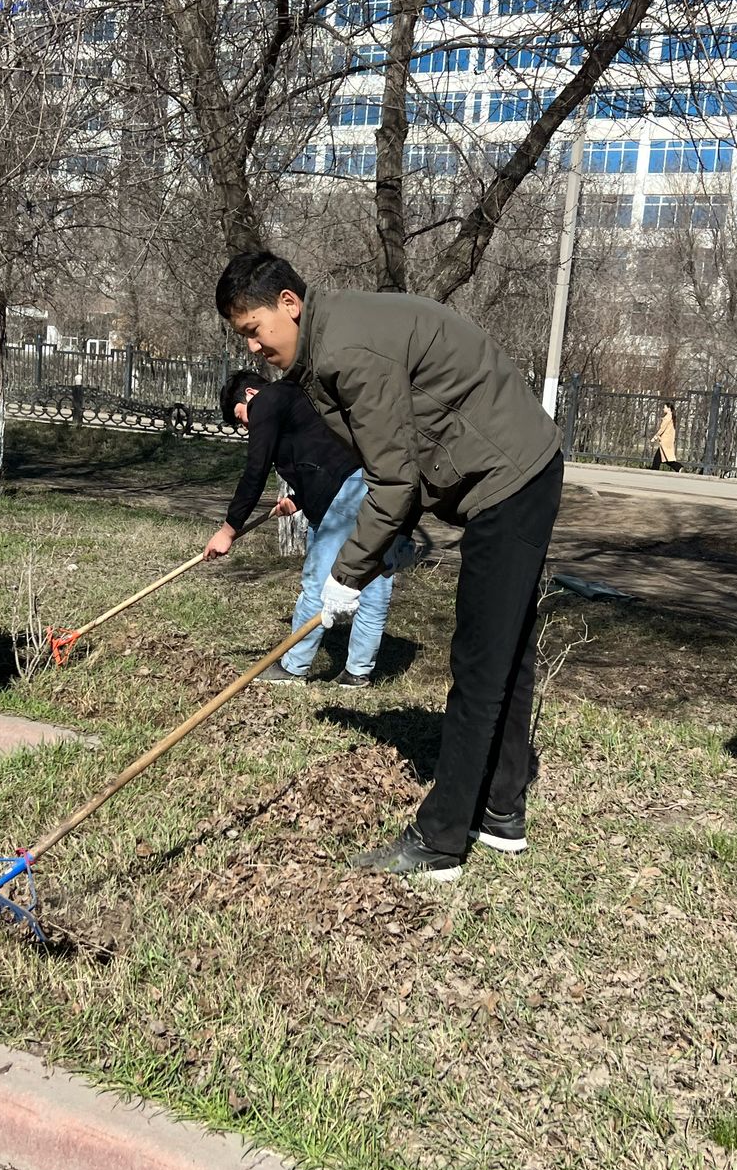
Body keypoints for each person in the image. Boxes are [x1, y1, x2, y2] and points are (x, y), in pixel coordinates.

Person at [215, 251, 564, 881]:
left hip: (511, 476)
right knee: (505, 652)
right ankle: (501, 810)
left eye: (253, 329)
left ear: (289, 304)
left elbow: (394, 481)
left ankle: (442, 839)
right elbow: (397, 451)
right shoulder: (328, 344)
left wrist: (346, 574)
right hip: (513, 467)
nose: (253, 347)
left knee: (481, 659)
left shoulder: (346, 351)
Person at [204, 369, 398, 687]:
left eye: (241, 417)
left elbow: (255, 470)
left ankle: (293, 667)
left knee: (318, 582)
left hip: (343, 494)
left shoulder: (267, 399)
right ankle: (357, 672)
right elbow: (320, 450)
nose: (247, 426)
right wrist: (298, 499)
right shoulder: (297, 397)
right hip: (363, 485)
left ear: (250, 394)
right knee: (374, 579)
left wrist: (228, 530)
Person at [649, 402, 682, 471]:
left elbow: (662, 428)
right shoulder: (672, 417)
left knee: (659, 457)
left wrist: (655, 437)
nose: (663, 409)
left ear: (669, 408)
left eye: (664, 407)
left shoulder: (667, 417)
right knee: (663, 457)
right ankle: (678, 467)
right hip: (669, 439)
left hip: (665, 439)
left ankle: (678, 467)